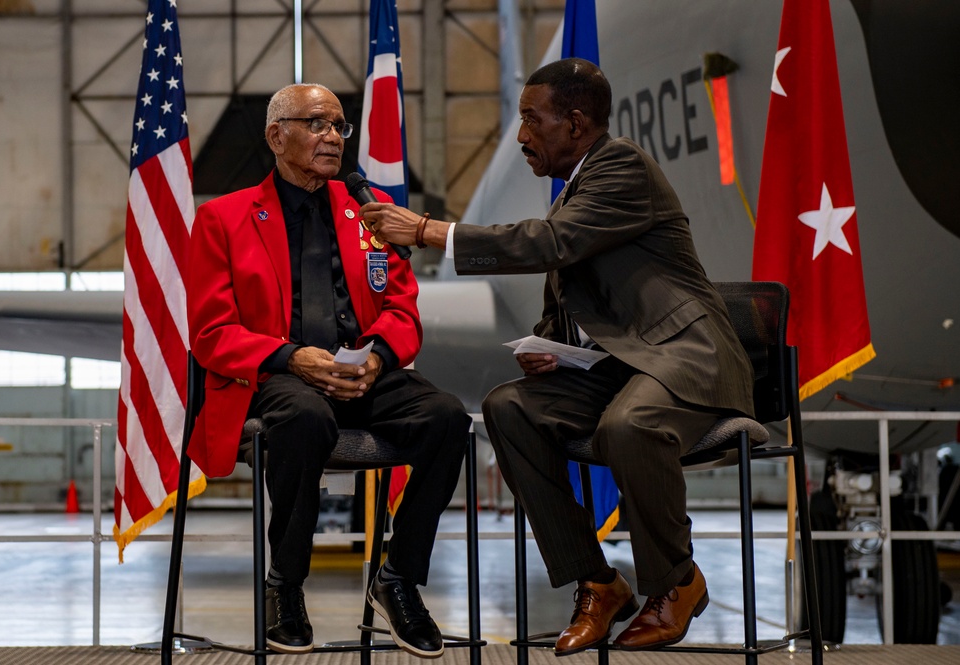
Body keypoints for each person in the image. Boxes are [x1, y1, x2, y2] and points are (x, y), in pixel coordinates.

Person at [361, 58, 754, 654]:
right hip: (621, 366)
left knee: (631, 426)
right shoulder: (576, 188)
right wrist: (553, 347)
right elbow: (574, 291)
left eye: (529, 120)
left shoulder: (622, 167)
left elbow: (549, 245)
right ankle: (597, 581)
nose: (521, 136)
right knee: (510, 409)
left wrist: (427, 231)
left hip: (683, 356)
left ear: (574, 123)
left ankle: (678, 581)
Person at [186, 82, 470, 658]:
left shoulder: (370, 215)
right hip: (276, 376)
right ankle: (285, 586)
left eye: (340, 125)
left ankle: (398, 579)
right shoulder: (223, 218)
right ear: (276, 136)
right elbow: (211, 334)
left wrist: (377, 358)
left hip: (362, 370)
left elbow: (403, 310)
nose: (333, 137)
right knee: (306, 418)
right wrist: (292, 357)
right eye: (317, 124)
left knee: (446, 417)